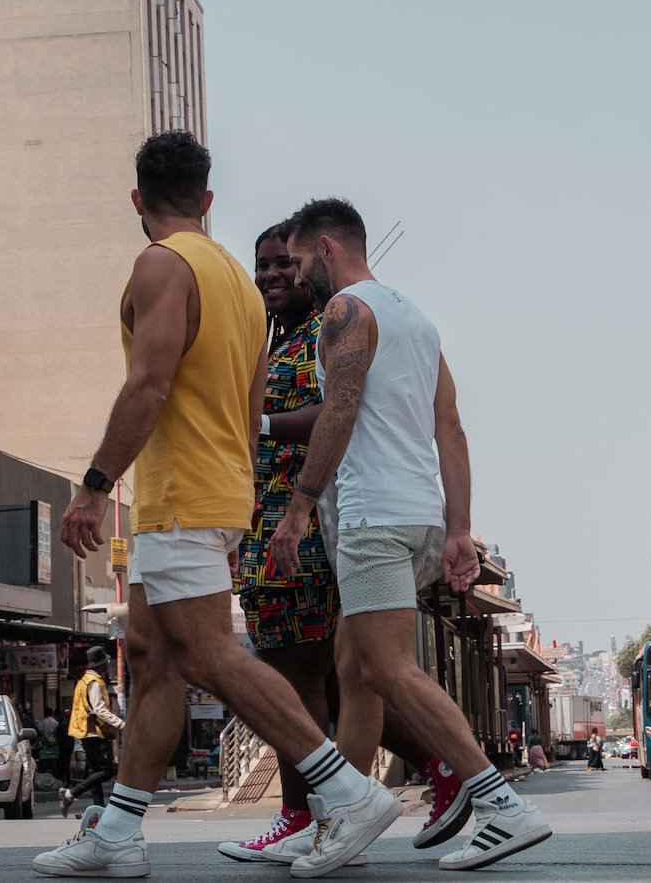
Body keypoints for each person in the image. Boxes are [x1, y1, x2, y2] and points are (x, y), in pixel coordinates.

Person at [34, 135, 396, 879]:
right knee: (155, 656)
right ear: (206, 198)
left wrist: (94, 487)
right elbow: (256, 400)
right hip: (217, 488)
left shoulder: (162, 265)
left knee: (209, 652)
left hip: (180, 493)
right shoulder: (234, 276)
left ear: (138, 200)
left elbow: (148, 385)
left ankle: (343, 789)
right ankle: (119, 829)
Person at [272, 198, 550, 872]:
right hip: (419, 513)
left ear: (330, 248)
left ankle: (498, 801)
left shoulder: (346, 312)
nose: (300, 273)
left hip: (370, 513)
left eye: (303, 259)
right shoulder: (418, 320)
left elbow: (339, 408)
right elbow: (450, 425)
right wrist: (458, 528)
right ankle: (344, 818)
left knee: (388, 666)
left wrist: (300, 504)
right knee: (356, 667)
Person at [217, 222, 466, 866]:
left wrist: (265, 438)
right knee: (343, 673)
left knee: (304, 678)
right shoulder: (273, 343)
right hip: (277, 523)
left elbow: (336, 410)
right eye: (264, 266)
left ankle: (308, 812)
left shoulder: (327, 329)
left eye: (286, 263)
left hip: (306, 527)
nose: (277, 276)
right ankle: (421, 779)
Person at [60, 646, 126, 816]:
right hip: (94, 732)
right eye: (105, 664)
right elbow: (99, 709)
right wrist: (121, 724)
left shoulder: (83, 680)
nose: (107, 668)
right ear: (101, 665)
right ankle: (71, 793)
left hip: (85, 731)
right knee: (106, 771)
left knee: (95, 772)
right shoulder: (94, 682)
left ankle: (99, 808)